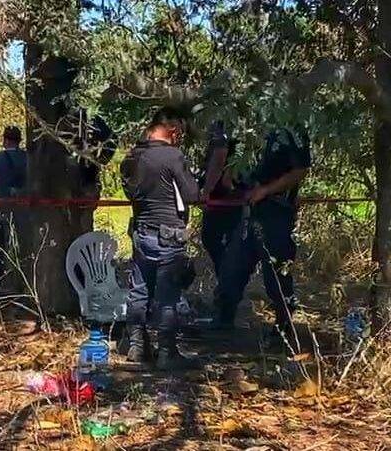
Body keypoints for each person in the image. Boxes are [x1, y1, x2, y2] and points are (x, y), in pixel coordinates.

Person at [211, 126, 311, 350]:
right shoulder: (244, 125)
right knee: (232, 267)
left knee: (276, 273)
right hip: (246, 210)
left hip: (276, 212)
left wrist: (266, 191)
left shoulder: (291, 130)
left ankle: (283, 327)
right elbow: (231, 167)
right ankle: (223, 321)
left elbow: (300, 170)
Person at [120, 107, 200, 370]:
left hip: (141, 232)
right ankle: (167, 352)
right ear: (173, 129)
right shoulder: (172, 156)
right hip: (168, 235)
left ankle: (137, 347)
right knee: (168, 295)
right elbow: (191, 195)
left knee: (139, 290)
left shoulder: (132, 157)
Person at [200, 120, 244, 278]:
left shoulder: (222, 126)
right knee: (225, 243)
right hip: (233, 196)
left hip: (222, 197)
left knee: (213, 239)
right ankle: (226, 284)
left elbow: (219, 159)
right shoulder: (239, 127)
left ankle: (227, 284)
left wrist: (206, 191)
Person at [0, 126, 27, 199]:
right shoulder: (27, 156)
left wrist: (0, 189)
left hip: (4, 200)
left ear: (6, 141)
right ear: (19, 140)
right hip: (24, 200)